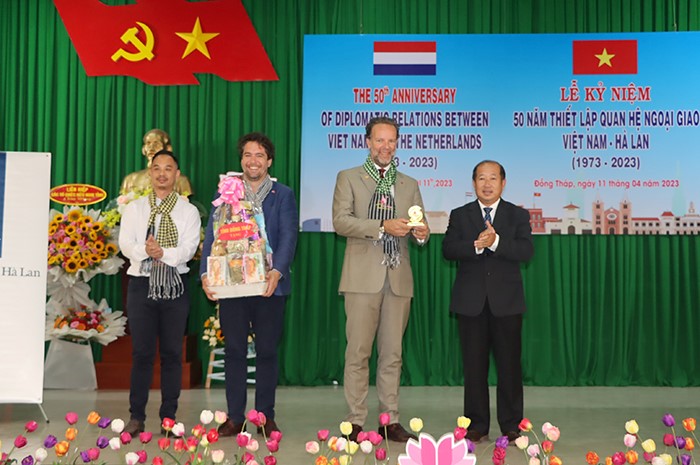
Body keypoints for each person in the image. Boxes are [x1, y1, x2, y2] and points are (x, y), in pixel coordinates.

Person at [332, 116, 429, 443]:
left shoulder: (409, 183)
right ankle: (355, 420)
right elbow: (341, 222)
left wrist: (421, 233)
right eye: (379, 140)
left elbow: (420, 227)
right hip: (361, 278)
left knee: (393, 354)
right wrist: (382, 226)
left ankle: (389, 420)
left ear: (397, 144)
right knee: (357, 353)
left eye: (391, 141)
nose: (385, 147)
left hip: (398, 277)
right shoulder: (348, 178)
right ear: (368, 142)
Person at [201, 132, 298, 437]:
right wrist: (206, 274)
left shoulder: (282, 194)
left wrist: (277, 271)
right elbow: (212, 236)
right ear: (240, 160)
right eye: (247, 155)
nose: (252, 161)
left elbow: (288, 237)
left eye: (259, 155)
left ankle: (264, 416)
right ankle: (234, 417)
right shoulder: (227, 193)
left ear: (269, 161)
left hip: (270, 284)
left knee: (267, 350)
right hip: (233, 286)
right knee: (233, 351)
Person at [442, 160, 534, 444]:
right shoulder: (460, 215)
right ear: (474, 183)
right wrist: (475, 245)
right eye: (481, 178)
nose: (487, 184)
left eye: (493, 178)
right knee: (474, 367)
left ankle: (511, 424)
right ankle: (476, 425)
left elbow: (526, 251)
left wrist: (495, 243)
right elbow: (448, 250)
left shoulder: (517, 215)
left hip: (506, 303)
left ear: (503, 183)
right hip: (471, 304)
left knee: (509, 367)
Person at [118, 150, 201, 435]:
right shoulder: (135, 209)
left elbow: (189, 250)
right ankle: (136, 417)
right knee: (141, 354)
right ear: (150, 173)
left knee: (171, 354)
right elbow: (126, 245)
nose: (162, 174)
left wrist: (162, 252)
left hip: (175, 287)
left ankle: (169, 417)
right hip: (141, 285)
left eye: (169, 169)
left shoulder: (188, 211)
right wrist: (147, 251)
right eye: (157, 168)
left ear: (177, 175)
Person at [120, 129, 193, 196]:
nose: (151, 148)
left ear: (168, 149)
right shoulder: (130, 180)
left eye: (156, 144)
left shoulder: (181, 181)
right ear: (143, 149)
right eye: (148, 143)